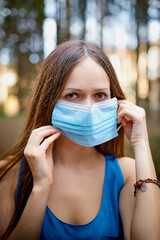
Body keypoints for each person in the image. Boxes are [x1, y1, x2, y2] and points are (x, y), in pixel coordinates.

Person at [0, 40, 159, 240]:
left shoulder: (127, 173)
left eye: (100, 95)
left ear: (115, 102)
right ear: (49, 101)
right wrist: (40, 186)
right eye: (73, 95)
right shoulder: (10, 173)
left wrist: (141, 145)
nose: (89, 109)